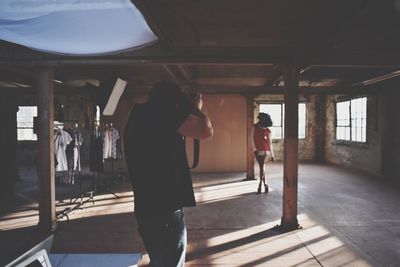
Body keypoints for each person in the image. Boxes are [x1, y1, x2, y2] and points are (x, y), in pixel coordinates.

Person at [123, 80, 213, 266]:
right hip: (165, 210)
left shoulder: (138, 114)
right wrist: (196, 108)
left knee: (159, 260)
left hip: (145, 207)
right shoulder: (165, 114)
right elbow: (206, 131)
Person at [252, 112, 274, 194]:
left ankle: (261, 184)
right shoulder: (267, 130)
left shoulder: (255, 127)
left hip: (261, 150)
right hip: (264, 150)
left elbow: (252, 140)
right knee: (262, 166)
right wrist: (272, 154)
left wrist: (254, 149)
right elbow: (270, 143)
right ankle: (265, 184)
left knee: (262, 167)